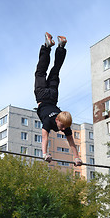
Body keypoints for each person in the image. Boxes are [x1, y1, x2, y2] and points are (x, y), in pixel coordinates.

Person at [34, 32, 82, 167]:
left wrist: (77, 157)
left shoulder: (64, 122)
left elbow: (72, 142)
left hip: (53, 95)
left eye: (64, 127)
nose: (62, 129)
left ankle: (61, 46)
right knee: (41, 72)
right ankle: (47, 47)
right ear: (57, 120)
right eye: (62, 126)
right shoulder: (50, 121)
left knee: (56, 71)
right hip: (43, 95)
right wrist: (45, 153)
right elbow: (45, 137)